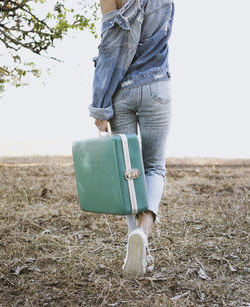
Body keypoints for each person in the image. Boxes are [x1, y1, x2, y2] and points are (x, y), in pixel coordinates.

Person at [89, 0, 174, 277]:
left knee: (128, 171)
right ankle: (143, 233)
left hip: (122, 91)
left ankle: (137, 245)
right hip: (157, 87)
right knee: (154, 167)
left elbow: (111, 48)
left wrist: (100, 105)